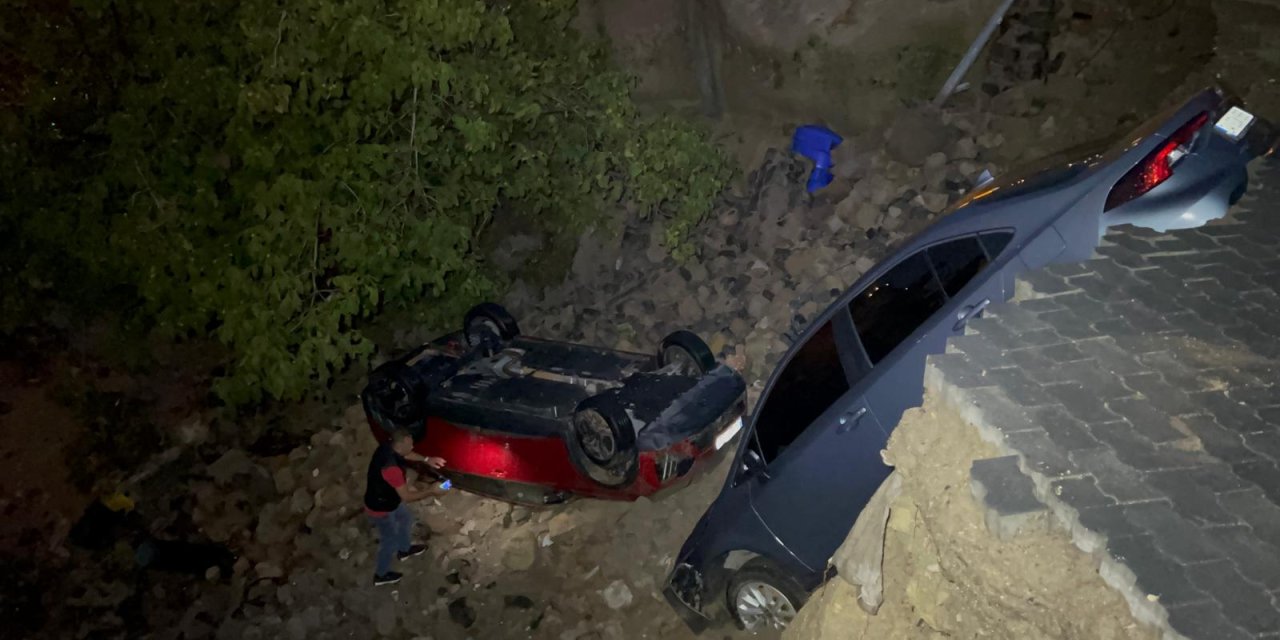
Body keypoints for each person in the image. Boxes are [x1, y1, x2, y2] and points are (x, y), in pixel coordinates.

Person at [363, 428, 445, 586]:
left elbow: (406, 454)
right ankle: (381, 574)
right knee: (389, 541)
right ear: (400, 444)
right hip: (380, 507)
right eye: (410, 443)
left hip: (388, 500)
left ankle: (404, 549)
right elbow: (406, 496)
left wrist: (426, 459)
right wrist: (431, 491)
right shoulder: (392, 469)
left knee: (405, 518)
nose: (413, 446)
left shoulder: (388, 447)